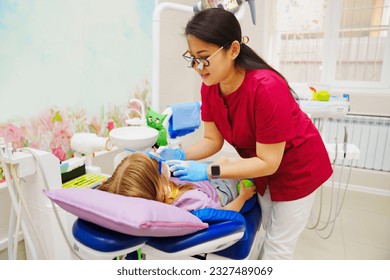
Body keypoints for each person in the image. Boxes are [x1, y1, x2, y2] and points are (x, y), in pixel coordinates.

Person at [157, 8, 333, 260]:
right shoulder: (210, 86)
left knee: (278, 248)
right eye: (192, 58)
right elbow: (212, 141)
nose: (198, 67)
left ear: (234, 50)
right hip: (260, 166)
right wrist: (181, 153)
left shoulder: (266, 88)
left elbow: (270, 161)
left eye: (204, 58)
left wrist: (209, 171)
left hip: (297, 169)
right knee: (266, 232)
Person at [98, 152, 256, 212]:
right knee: (227, 162)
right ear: (157, 186)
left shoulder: (152, 192)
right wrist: (243, 196)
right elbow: (226, 213)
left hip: (200, 180)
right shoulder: (193, 201)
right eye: (156, 165)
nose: (160, 162)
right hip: (219, 190)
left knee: (222, 161)